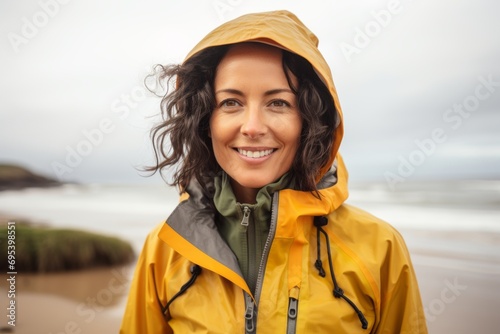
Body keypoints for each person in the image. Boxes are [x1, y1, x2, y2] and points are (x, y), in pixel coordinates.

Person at [120, 10, 427, 333]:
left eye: (278, 103)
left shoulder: (380, 248)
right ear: (203, 120)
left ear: (310, 119)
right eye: (230, 103)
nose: (252, 127)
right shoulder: (165, 248)